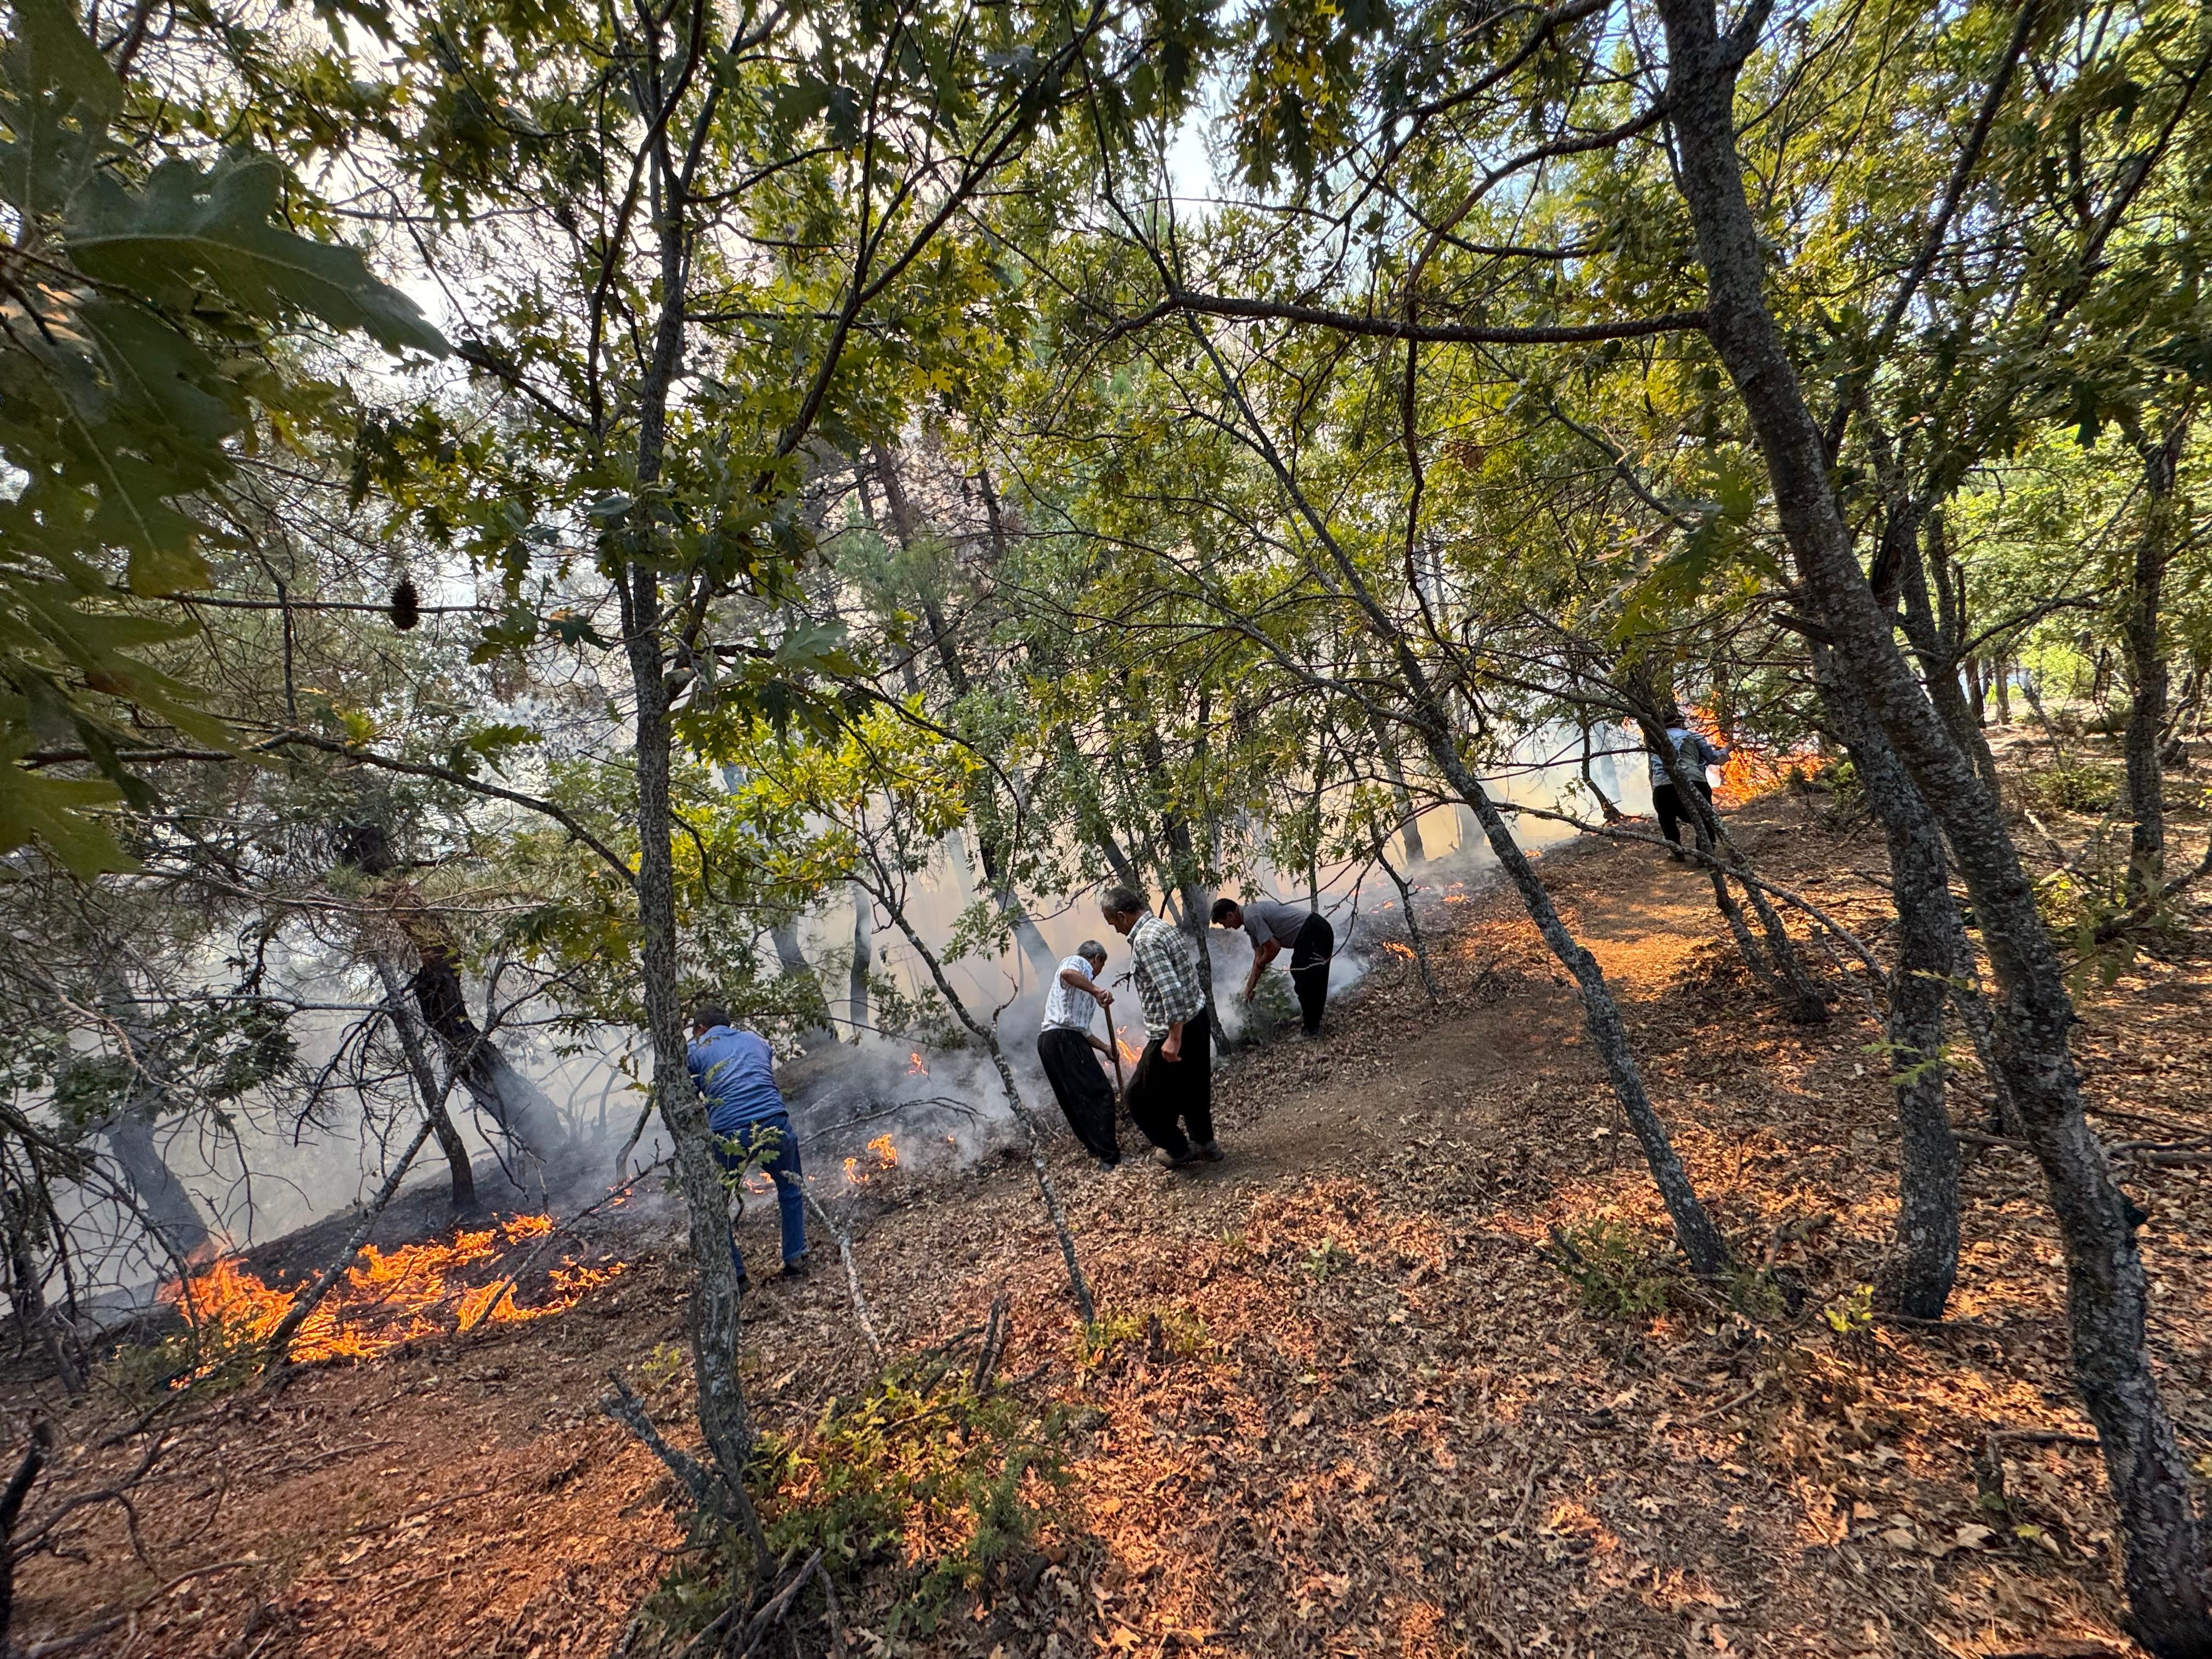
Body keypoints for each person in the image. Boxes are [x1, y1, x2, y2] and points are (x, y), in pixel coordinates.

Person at [1098, 884, 1221, 1169]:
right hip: (1197, 1019)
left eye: (1113, 923)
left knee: (1137, 1098)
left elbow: (1171, 990)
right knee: (1194, 1087)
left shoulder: (1145, 941)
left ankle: (1180, 1150)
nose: (1115, 930)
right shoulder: (1161, 928)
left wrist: (1173, 1038)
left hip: (1174, 1030)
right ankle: (1206, 1144)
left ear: (1122, 915)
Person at [686, 1002, 807, 1283]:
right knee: (790, 1189)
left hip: (728, 1132)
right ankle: (796, 1257)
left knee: (715, 1203)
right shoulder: (755, 1040)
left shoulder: (697, 1048)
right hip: (774, 1121)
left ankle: (736, 1276)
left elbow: (685, 1088)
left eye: (695, 1032)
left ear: (701, 1028)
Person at [1036, 941, 1122, 1169]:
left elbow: (1083, 1030)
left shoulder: (1084, 990)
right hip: (1062, 1039)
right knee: (1099, 1092)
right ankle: (1109, 1157)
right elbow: (1068, 974)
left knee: (1074, 1098)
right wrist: (1096, 991)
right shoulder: (1079, 963)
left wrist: (1106, 1048)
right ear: (1097, 959)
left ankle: (1096, 1148)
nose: (1097, 974)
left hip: (1052, 1041)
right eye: (1101, 966)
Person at [1210, 894, 1333, 1037]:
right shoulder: (1250, 920)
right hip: (1309, 933)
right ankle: (1309, 1016)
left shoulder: (1251, 917)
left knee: (1308, 979)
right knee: (1299, 973)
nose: (1226, 928)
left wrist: (1262, 963)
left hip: (1314, 931)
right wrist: (1250, 988)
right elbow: (1259, 956)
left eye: (1223, 923)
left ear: (1230, 915)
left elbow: (1274, 948)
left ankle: (1312, 1029)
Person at [1647, 706, 1729, 860]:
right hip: (1693, 781)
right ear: (1681, 724)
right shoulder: (1694, 737)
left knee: (1666, 819)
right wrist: (1726, 751)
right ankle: (1705, 855)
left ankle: (1677, 852)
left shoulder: (1655, 741)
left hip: (1662, 786)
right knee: (1706, 816)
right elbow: (1715, 759)